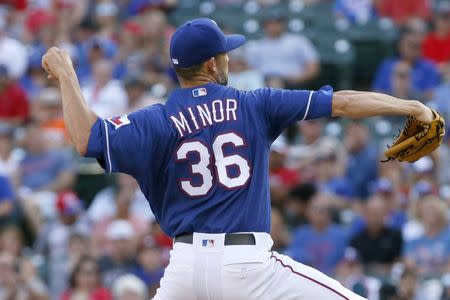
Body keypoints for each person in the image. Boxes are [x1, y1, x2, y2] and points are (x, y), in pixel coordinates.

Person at [42, 17, 436, 300]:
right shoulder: (255, 103)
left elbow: (86, 138)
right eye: (225, 53)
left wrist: (66, 74)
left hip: (185, 270)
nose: (229, 58)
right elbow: (345, 103)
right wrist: (410, 105)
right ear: (212, 64)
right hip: (248, 267)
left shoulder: (155, 120)